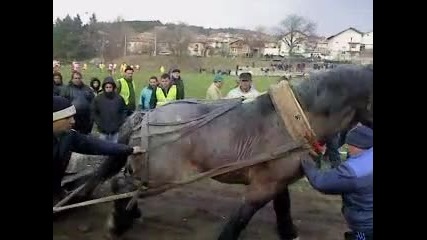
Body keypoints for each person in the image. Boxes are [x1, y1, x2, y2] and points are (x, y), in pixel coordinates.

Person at [53, 96, 142, 204]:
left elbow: (96, 145)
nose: (73, 121)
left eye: (72, 117)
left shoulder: (68, 136)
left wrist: (129, 149)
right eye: (67, 118)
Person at [301, 125, 373, 240]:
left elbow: (321, 182)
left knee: (361, 236)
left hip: (366, 226)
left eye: (349, 146)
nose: (348, 149)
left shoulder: (352, 172)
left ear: (357, 146)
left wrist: (307, 164)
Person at [92, 77, 128, 143]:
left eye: (110, 87)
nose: (108, 89)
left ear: (113, 87)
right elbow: (94, 112)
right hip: (102, 131)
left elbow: (124, 110)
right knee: (103, 149)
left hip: (115, 131)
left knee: (114, 149)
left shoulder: (119, 99)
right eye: (107, 87)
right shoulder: (98, 99)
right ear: (104, 88)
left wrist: (120, 122)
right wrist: (99, 123)